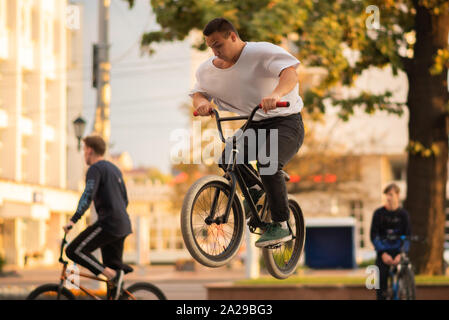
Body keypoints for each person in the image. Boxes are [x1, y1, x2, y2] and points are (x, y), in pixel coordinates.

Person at [191, 18, 305, 248]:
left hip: (286, 122)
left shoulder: (261, 52)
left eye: (219, 44)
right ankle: (255, 192)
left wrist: (277, 94)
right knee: (228, 159)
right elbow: (198, 93)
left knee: (268, 162)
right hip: (255, 123)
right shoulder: (207, 70)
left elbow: (290, 73)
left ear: (233, 36)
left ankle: (281, 224)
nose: (215, 51)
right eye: (210, 46)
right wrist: (201, 103)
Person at [63, 135, 133, 300]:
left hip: (109, 223)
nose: (83, 154)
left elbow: (87, 195)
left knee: (74, 250)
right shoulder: (115, 169)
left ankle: (110, 274)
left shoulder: (95, 169)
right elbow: (125, 199)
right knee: (114, 283)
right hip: (123, 225)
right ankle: (114, 280)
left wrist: (73, 220)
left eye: (84, 150)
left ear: (89, 150)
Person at [370, 183, 411, 300]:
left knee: (406, 274)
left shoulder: (404, 215)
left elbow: (407, 236)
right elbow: (374, 236)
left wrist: (401, 254)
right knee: (380, 279)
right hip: (383, 254)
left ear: (397, 195)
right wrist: (382, 253)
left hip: (399, 253)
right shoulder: (378, 214)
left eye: (391, 195)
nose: (388, 198)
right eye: (386, 195)